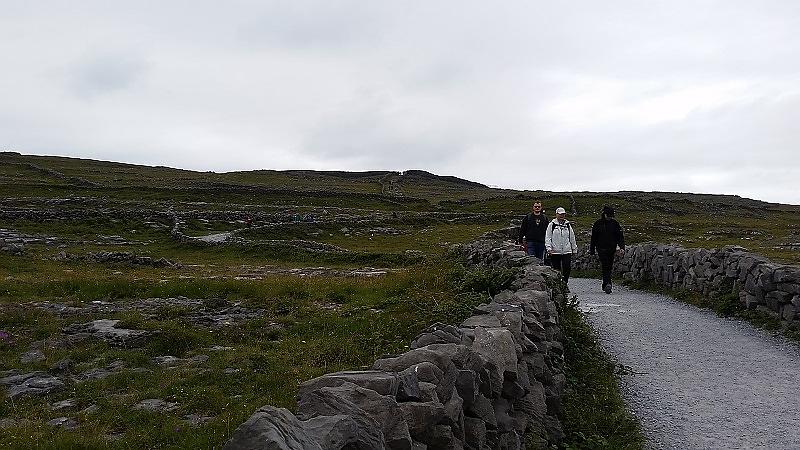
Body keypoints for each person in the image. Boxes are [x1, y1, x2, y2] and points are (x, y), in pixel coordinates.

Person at [590, 205, 625, 294]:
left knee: (609, 266)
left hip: (611, 248)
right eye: (608, 215)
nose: (609, 217)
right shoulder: (598, 224)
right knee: (605, 265)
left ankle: (606, 284)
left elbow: (620, 237)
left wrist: (621, 247)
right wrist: (592, 250)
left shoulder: (615, 224)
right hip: (601, 249)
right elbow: (593, 238)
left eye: (611, 216)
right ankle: (607, 284)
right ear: (604, 214)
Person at [545, 207, 578, 284]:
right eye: (560, 214)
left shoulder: (568, 225)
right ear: (556, 214)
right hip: (555, 251)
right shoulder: (552, 225)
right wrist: (549, 248)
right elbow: (548, 237)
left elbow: (572, 237)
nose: (561, 216)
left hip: (567, 250)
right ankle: (558, 283)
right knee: (556, 268)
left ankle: (565, 282)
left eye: (563, 214)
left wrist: (574, 248)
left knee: (567, 267)